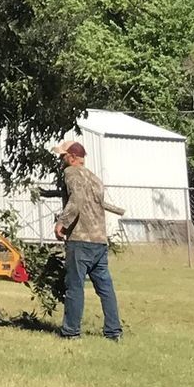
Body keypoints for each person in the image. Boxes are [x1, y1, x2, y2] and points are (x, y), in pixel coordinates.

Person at [53, 139, 125, 341]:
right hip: (99, 239)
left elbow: (76, 199)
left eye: (63, 156)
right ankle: (113, 331)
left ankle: (71, 331)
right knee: (105, 288)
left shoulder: (71, 173)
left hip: (80, 239)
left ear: (72, 157)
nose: (61, 160)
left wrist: (62, 223)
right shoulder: (94, 178)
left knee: (75, 286)